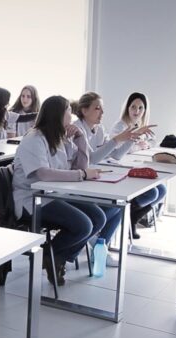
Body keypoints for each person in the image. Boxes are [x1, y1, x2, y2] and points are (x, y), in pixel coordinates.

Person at [12, 95, 105, 285]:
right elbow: (43, 174)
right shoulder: (34, 138)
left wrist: (81, 141)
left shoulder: (60, 137)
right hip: (32, 199)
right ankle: (51, 255)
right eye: (69, 111)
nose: (72, 116)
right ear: (58, 114)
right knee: (83, 225)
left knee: (98, 218)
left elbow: (79, 166)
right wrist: (82, 175)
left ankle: (55, 256)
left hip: (54, 194)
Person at [72, 92, 153, 265]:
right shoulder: (77, 129)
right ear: (84, 110)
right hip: (77, 181)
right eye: (97, 108)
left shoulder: (99, 128)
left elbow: (115, 155)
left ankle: (100, 247)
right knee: (114, 207)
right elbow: (92, 158)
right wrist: (117, 139)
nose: (102, 113)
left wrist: (132, 138)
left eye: (102, 109)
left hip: (91, 178)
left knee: (119, 206)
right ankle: (95, 243)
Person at [108, 92, 167, 239]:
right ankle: (127, 215)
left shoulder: (140, 125)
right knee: (152, 193)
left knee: (162, 190)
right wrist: (137, 146)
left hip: (135, 166)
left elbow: (152, 141)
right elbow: (116, 150)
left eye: (141, 108)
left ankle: (132, 218)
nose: (137, 111)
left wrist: (145, 144)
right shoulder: (120, 126)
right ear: (127, 108)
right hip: (120, 169)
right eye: (133, 107)